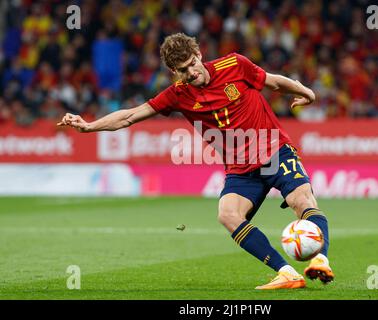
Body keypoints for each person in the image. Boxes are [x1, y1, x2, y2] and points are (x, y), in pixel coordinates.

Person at [57, 33, 334, 289]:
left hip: (275, 151)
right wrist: (90, 126)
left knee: (302, 200)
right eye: (182, 70)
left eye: (192, 64)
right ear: (174, 72)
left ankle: (321, 260)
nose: (191, 72)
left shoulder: (234, 64)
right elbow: (130, 115)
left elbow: (273, 81)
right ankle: (287, 272)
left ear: (199, 54)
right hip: (240, 168)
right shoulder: (178, 94)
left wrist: (306, 92)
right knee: (227, 214)